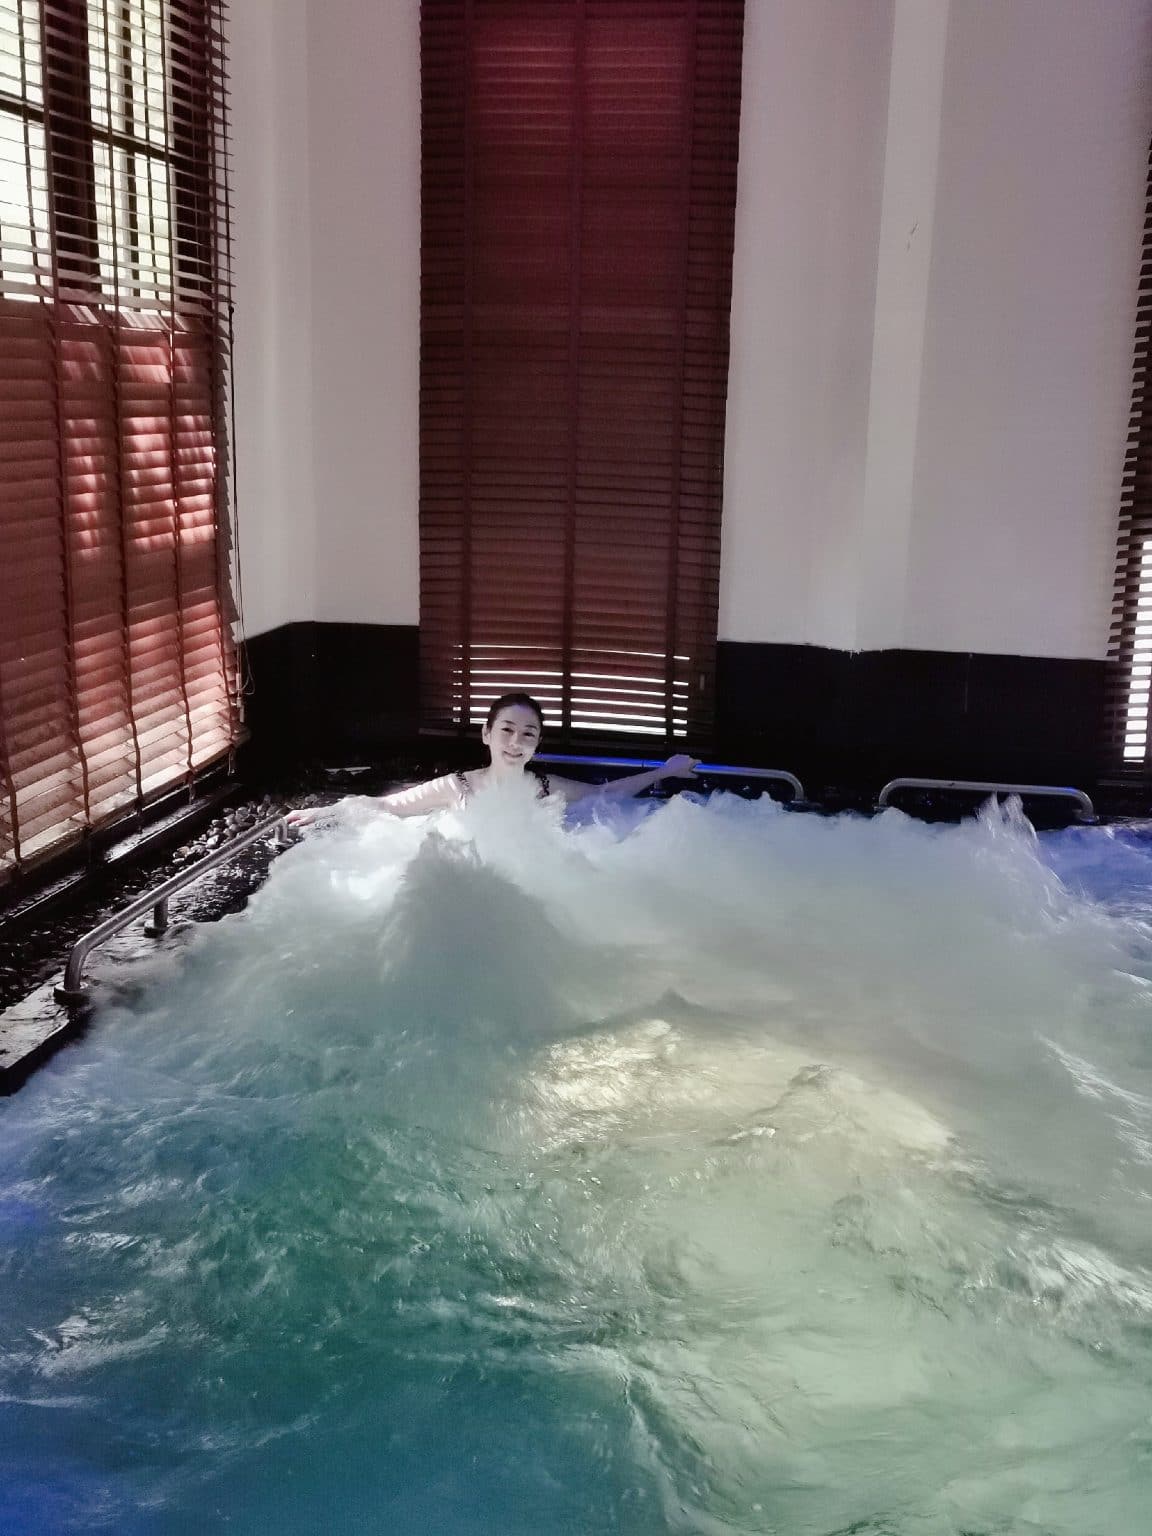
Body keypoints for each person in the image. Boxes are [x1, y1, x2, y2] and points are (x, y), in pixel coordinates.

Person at [290, 692, 699, 822]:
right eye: (506, 730)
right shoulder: (459, 787)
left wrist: (664, 771)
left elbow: (604, 794)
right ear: (487, 734)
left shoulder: (545, 787)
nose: (516, 741)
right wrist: (330, 810)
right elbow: (389, 806)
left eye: (528, 734)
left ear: (537, 744)